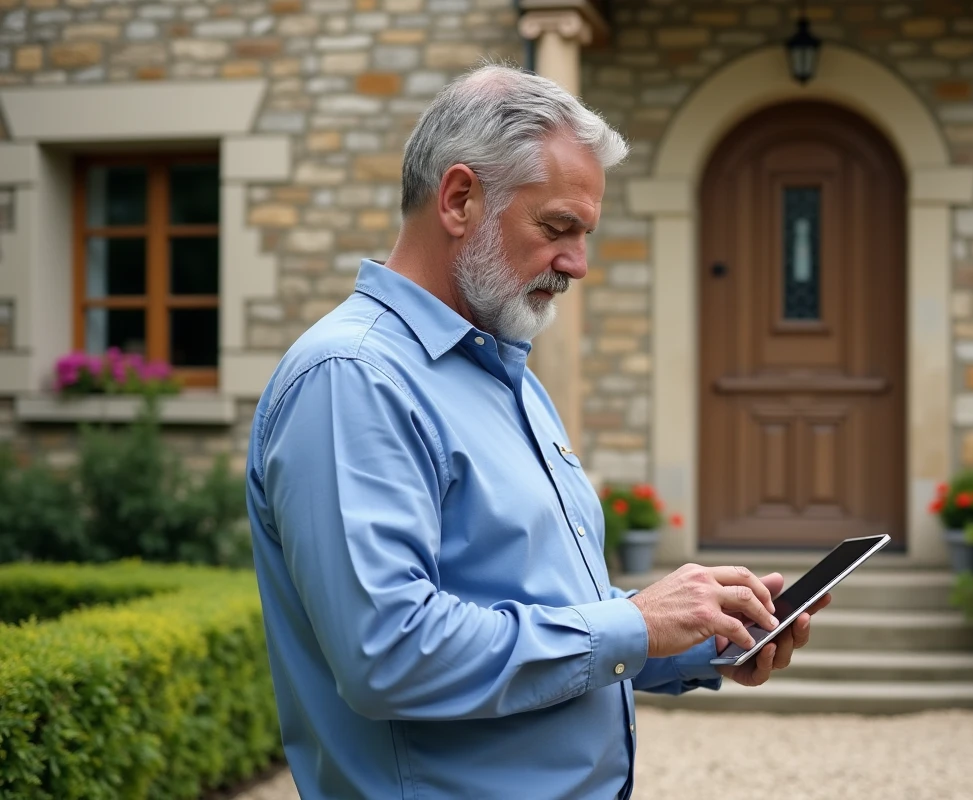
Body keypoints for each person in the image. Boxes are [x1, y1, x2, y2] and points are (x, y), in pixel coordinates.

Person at [245, 63, 830, 800]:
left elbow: (539, 609)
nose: (578, 265)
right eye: (557, 228)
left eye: (584, 234)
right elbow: (388, 653)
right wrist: (632, 624)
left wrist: (697, 640)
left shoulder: (502, 372)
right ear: (459, 199)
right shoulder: (352, 378)